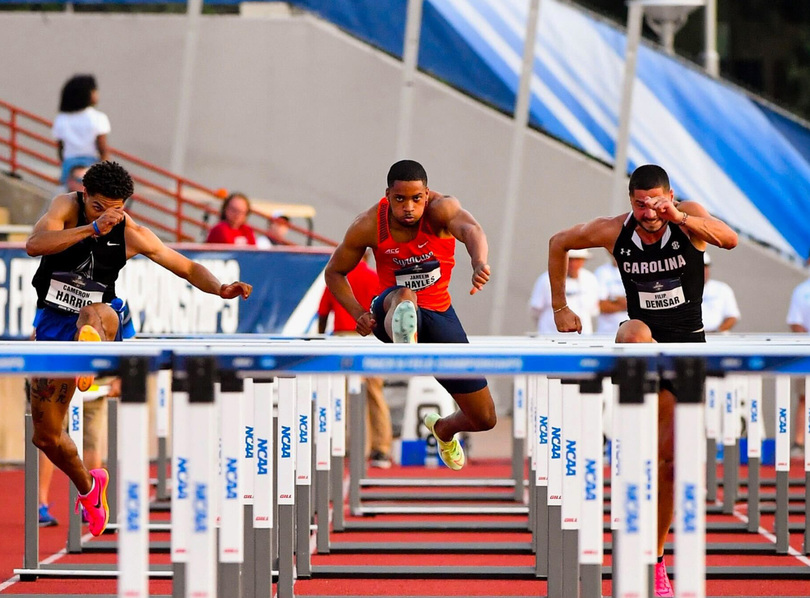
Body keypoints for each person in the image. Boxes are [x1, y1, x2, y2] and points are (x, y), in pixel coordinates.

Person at [26, 160, 252, 536]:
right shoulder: (65, 208)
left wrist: (220, 288)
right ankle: (89, 488)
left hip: (107, 319)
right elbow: (35, 245)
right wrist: (90, 228)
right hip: (53, 323)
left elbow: (184, 266)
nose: (109, 215)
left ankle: (89, 356)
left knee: (94, 313)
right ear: (84, 196)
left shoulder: (131, 232)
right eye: (99, 206)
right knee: (46, 435)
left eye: (116, 208)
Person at [547, 164, 737, 596]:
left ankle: (654, 558)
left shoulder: (688, 218)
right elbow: (559, 242)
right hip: (641, 341)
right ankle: (627, 430)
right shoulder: (615, 231)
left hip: (687, 348)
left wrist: (680, 217)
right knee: (635, 330)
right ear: (630, 202)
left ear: (669, 196)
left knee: (672, 464)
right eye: (640, 204)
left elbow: (730, 240)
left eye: (656, 202)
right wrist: (561, 306)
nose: (649, 212)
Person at [323, 159, 495, 471]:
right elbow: (334, 272)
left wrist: (479, 261)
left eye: (416, 199)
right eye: (400, 199)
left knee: (484, 418)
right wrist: (359, 312)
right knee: (405, 297)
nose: (408, 208)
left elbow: (471, 229)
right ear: (387, 195)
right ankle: (405, 334)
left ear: (426, 195)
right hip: (388, 310)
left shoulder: (441, 210)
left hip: (440, 315)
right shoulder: (368, 224)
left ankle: (443, 429)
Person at [318, 251, 393, 468]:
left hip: (343, 339)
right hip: (372, 338)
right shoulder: (375, 278)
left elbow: (323, 313)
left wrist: (321, 338)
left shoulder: (336, 278)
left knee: (346, 396)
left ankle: (355, 447)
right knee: (375, 394)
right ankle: (381, 449)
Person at [52, 74, 110, 185]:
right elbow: (103, 150)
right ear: (88, 94)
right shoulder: (98, 118)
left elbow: (61, 149)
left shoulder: (61, 118)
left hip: (69, 166)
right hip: (91, 164)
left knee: (68, 198)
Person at [529, 248, 599, 334]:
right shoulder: (546, 279)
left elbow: (593, 310)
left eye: (577, 260)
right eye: (570, 259)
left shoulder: (590, 279)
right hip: (551, 337)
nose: (573, 264)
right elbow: (535, 310)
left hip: (582, 338)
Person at [787, 254, 810, 456]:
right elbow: (795, 322)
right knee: (804, 397)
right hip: (807, 350)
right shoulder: (802, 291)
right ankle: (799, 442)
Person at [701, 252, 740, 333]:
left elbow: (732, 316)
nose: (703, 271)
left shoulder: (722, 289)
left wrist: (717, 333)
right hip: (691, 339)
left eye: (705, 267)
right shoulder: (682, 289)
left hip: (717, 339)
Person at [594, 253, 628, 336]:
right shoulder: (602, 272)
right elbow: (602, 305)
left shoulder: (639, 271)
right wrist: (630, 304)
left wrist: (615, 300)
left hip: (632, 333)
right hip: (607, 332)